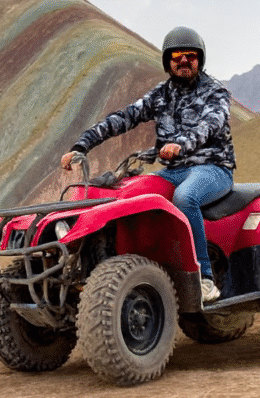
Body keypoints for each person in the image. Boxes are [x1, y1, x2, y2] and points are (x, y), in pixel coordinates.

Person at [60, 26, 235, 303]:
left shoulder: (215, 92)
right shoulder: (160, 95)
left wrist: (181, 144)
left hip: (213, 168)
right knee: (128, 194)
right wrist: (82, 145)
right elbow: (123, 118)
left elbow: (210, 125)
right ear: (168, 61)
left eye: (190, 55)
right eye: (177, 55)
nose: (184, 61)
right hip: (174, 171)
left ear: (199, 60)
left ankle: (204, 278)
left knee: (186, 198)